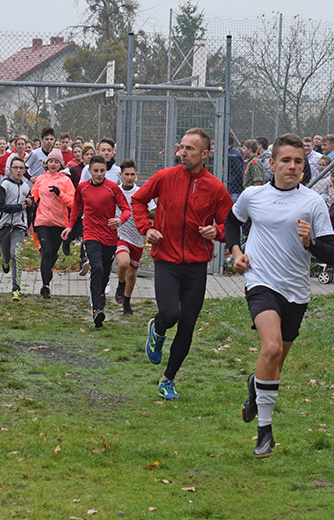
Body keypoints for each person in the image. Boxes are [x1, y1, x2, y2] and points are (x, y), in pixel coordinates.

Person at [225, 133, 334, 458]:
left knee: (275, 363)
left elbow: (333, 253)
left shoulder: (313, 203)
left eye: (298, 161)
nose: (292, 166)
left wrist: (310, 244)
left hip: (296, 291)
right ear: (271, 163)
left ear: (304, 166)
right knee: (271, 347)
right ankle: (265, 432)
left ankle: (254, 384)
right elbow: (233, 221)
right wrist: (236, 252)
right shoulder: (253, 195)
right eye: (285, 160)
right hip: (260, 281)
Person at [131, 128, 233, 400]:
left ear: (205, 154)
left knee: (187, 324)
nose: (182, 153)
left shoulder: (215, 188)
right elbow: (138, 201)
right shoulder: (165, 178)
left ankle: (168, 379)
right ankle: (158, 328)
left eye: (190, 149)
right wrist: (146, 228)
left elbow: (230, 223)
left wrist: (217, 232)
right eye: (182, 147)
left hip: (196, 265)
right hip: (167, 259)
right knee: (170, 313)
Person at [62, 155, 131, 327]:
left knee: (105, 273)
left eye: (102, 171)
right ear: (90, 171)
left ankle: (99, 300)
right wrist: (70, 227)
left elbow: (126, 209)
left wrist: (120, 220)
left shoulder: (113, 188)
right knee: (97, 268)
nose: (99, 174)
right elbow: (76, 207)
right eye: (96, 171)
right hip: (91, 233)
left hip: (109, 235)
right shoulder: (83, 188)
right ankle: (96, 311)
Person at [113, 159, 156, 316]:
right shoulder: (115, 190)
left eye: (132, 174)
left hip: (137, 236)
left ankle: (127, 301)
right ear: (121, 175)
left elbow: (153, 210)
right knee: (123, 263)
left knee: (132, 272)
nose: (130, 177)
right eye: (127, 174)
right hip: (120, 233)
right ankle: (120, 284)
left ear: (136, 175)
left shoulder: (141, 193)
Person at [30, 148, 75, 298]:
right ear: (46, 163)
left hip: (59, 223)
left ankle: (47, 272)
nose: (53, 164)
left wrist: (59, 193)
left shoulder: (66, 180)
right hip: (42, 221)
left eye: (56, 162)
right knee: (46, 252)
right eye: (51, 161)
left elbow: (73, 202)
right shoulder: (40, 179)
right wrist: (29, 200)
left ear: (61, 164)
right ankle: (45, 285)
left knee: (53, 254)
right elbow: (34, 195)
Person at [0, 156, 35, 301]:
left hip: (19, 225)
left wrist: (30, 204)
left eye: (21, 168)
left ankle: (16, 289)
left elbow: (30, 208)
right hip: (3, 225)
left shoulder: (26, 188)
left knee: (16, 254)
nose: (19, 171)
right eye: (16, 168)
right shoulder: (4, 185)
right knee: (7, 255)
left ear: (24, 170)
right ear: (10, 169)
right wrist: (19, 207)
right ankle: (4, 261)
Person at [227, 134, 245, 203]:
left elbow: (238, 173)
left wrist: (229, 182)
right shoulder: (230, 153)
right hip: (231, 188)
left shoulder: (234, 155)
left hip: (234, 190)